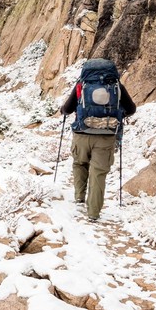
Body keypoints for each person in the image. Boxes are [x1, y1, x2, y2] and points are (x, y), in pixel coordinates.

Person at [59, 59, 136, 221]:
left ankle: (79, 197)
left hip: (81, 134)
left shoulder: (82, 86)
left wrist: (63, 110)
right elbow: (131, 109)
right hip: (106, 136)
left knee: (80, 163)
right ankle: (93, 213)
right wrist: (116, 115)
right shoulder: (116, 87)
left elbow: (67, 109)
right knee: (98, 173)